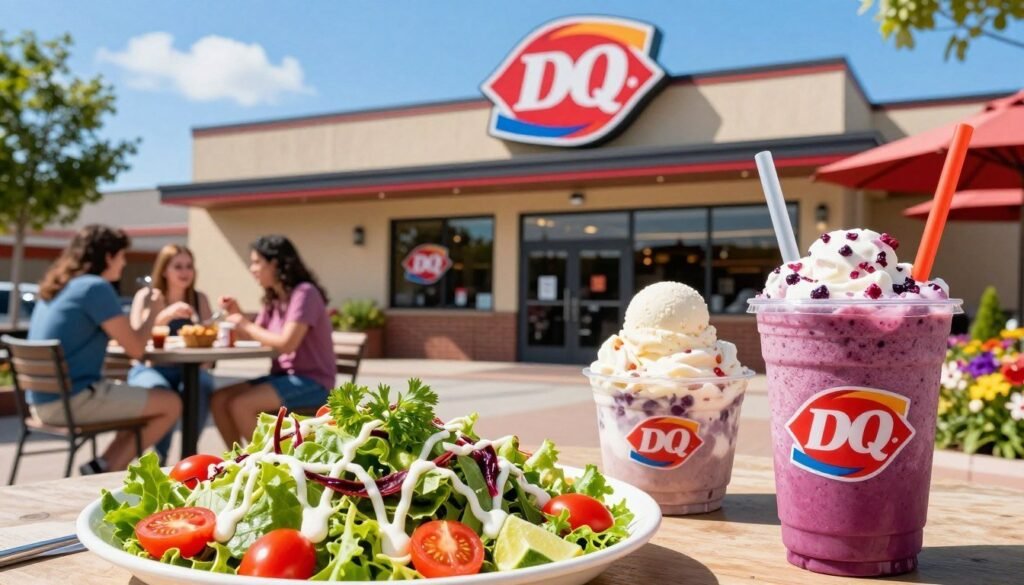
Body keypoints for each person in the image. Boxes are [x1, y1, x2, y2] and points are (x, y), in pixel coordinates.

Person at [26, 225, 184, 473]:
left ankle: (100, 466)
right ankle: (107, 473)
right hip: (71, 401)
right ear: (109, 256)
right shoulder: (95, 288)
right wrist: (154, 310)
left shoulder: (59, 286)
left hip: (40, 401)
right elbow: (136, 350)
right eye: (122, 256)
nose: (123, 264)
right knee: (171, 403)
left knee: (139, 399)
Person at [210, 235, 335, 445]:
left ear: (275, 263)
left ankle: (272, 465)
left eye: (257, 262)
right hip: (283, 377)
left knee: (241, 406)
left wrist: (244, 323)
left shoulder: (305, 293)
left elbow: (286, 344)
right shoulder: (275, 298)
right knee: (219, 399)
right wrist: (237, 313)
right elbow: (257, 335)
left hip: (313, 382)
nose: (252, 268)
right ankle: (237, 461)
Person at [127, 244, 216, 462]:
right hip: (151, 369)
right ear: (164, 270)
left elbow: (209, 340)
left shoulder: (199, 298)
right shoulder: (147, 296)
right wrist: (164, 315)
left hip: (189, 370)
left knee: (201, 385)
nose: (185, 272)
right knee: (162, 393)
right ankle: (159, 459)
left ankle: (189, 456)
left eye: (189, 266)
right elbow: (136, 340)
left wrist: (205, 361)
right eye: (178, 266)